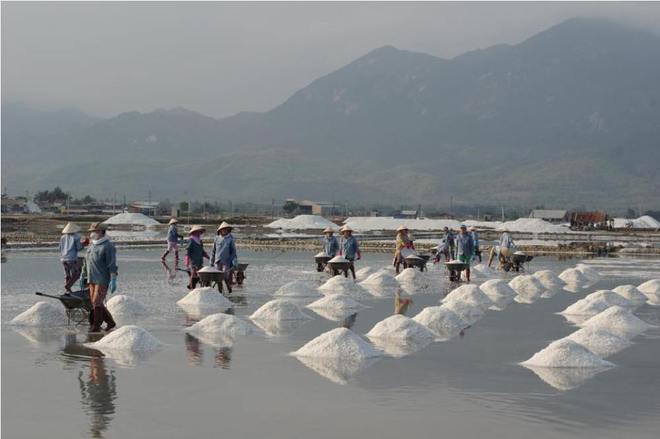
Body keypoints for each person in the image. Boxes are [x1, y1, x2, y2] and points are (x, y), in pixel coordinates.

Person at [85, 223, 117, 332]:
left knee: (97, 302)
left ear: (101, 232)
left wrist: (113, 278)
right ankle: (110, 322)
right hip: (91, 278)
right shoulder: (92, 245)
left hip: (102, 278)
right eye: (91, 231)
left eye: (94, 231)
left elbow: (112, 264)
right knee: (95, 302)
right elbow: (86, 261)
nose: (92, 233)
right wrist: (82, 275)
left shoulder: (108, 246)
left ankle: (96, 325)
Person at [210, 222, 237, 294]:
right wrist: (211, 262)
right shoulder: (216, 239)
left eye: (226, 229)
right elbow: (213, 251)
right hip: (217, 261)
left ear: (228, 230)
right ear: (220, 230)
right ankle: (220, 291)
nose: (225, 230)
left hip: (226, 261)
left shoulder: (230, 239)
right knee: (218, 277)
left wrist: (234, 261)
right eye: (223, 229)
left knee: (225, 276)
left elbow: (233, 252)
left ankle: (229, 288)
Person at [60, 222, 86, 292]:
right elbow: (79, 248)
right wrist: (83, 244)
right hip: (71, 258)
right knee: (77, 274)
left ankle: (68, 290)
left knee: (67, 275)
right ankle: (68, 286)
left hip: (63, 258)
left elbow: (60, 248)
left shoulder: (62, 237)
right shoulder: (76, 237)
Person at [185, 225, 209, 290]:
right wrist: (187, 260)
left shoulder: (200, 241)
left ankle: (195, 285)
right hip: (193, 261)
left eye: (199, 232)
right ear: (193, 232)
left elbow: (202, 251)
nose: (198, 233)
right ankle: (192, 288)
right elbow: (188, 251)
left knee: (201, 273)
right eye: (197, 232)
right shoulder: (191, 240)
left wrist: (208, 257)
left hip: (200, 261)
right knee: (193, 273)